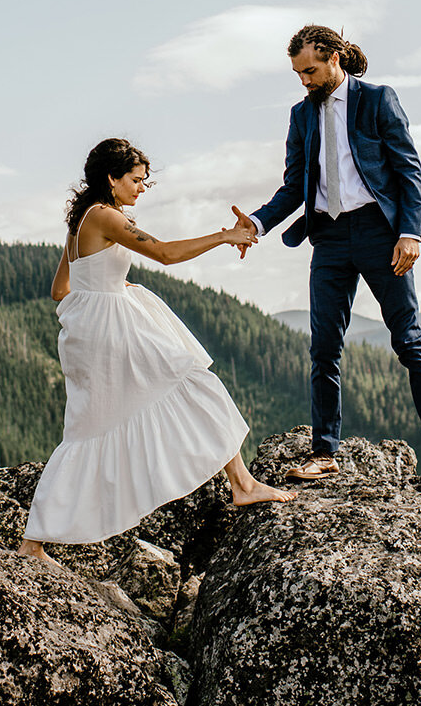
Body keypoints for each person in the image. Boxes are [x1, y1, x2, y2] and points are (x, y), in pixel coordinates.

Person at [18, 137, 294, 568]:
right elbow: (165, 254)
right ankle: (241, 484)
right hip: (112, 332)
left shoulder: (81, 220)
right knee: (193, 382)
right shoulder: (107, 216)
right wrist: (226, 236)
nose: (142, 188)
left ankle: (34, 543)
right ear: (111, 179)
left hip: (90, 331)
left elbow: (60, 290)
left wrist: (109, 285)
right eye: (136, 180)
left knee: (88, 431)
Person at [233, 25, 421, 490]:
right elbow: (293, 186)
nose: (304, 81)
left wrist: (410, 232)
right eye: (298, 74)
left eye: (311, 71)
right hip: (330, 238)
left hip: (382, 233)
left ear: (335, 57)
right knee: (323, 347)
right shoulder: (300, 116)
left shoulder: (378, 100)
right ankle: (325, 452)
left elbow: (408, 170)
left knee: (408, 340)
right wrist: (254, 224)